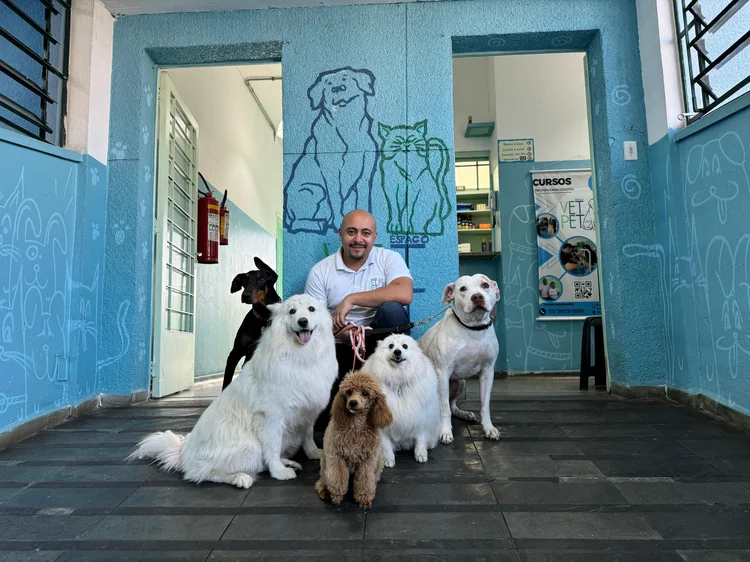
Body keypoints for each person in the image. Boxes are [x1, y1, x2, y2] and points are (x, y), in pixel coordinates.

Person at [305, 210, 413, 420]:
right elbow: (313, 322)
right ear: (340, 234)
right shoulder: (320, 271)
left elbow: (404, 293)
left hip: (379, 346)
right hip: (339, 345)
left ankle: (398, 387)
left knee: (392, 309)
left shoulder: (388, 258)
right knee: (330, 415)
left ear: (375, 237)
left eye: (365, 233)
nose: (358, 239)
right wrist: (338, 331)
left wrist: (351, 299)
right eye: (351, 232)